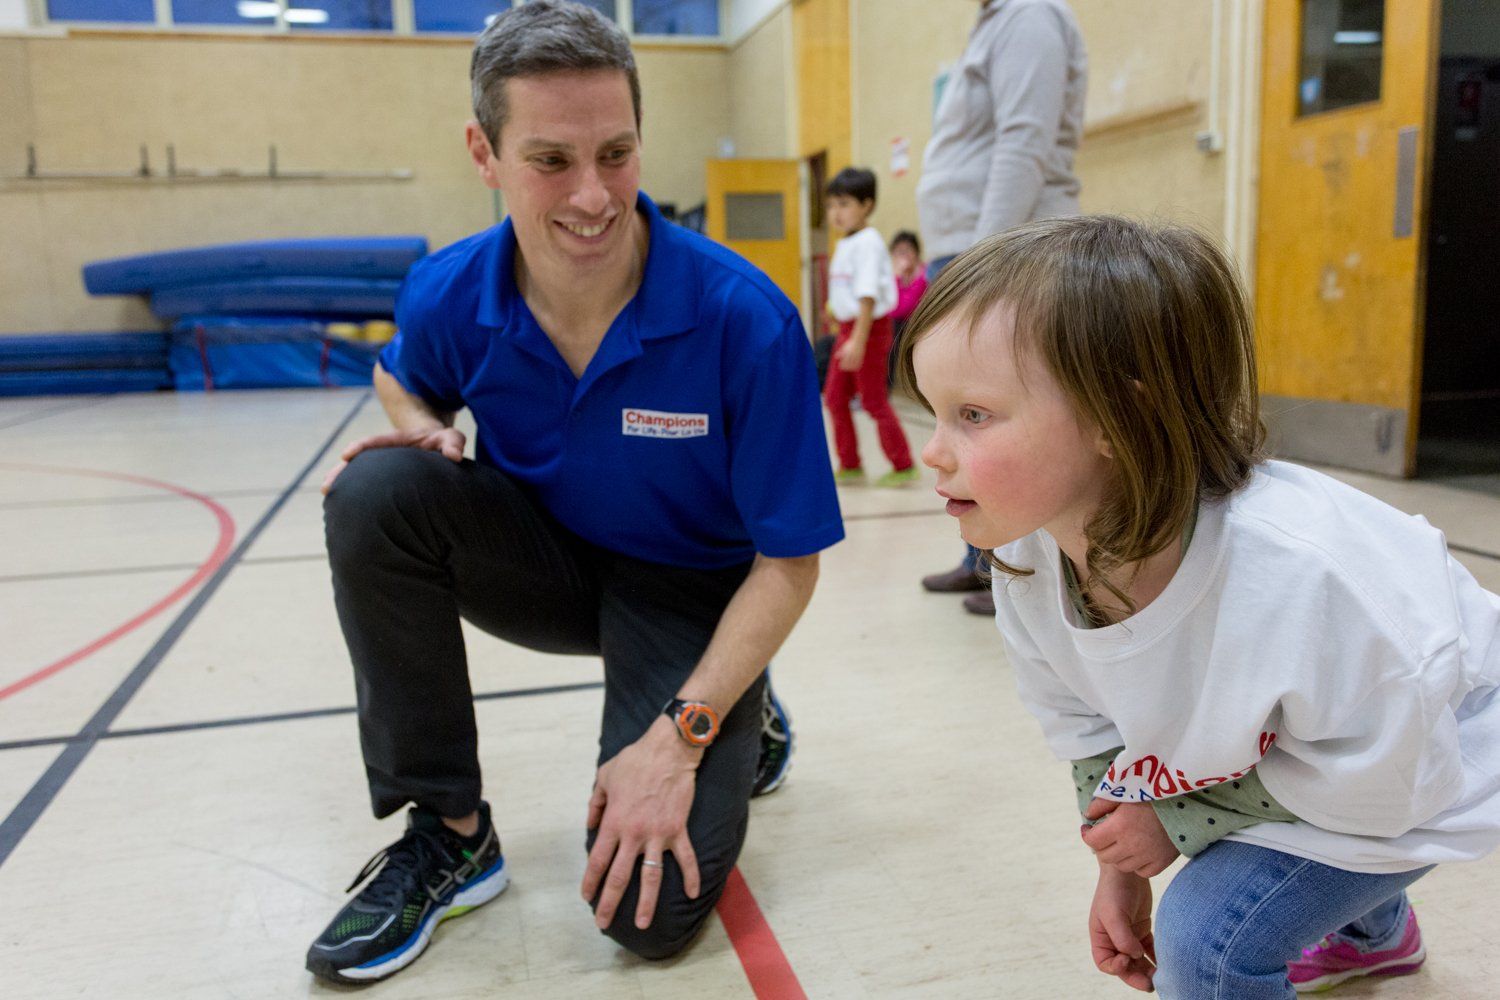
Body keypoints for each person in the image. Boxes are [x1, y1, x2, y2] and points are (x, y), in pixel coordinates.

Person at [305, 1, 843, 983]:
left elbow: (790, 560)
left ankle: (738, 706)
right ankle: (452, 833)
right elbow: (401, 373)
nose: (593, 195)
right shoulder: (449, 290)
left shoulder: (743, 319)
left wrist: (679, 741)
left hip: (690, 586)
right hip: (543, 558)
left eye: (618, 154)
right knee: (377, 489)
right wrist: (423, 423)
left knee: (650, 913)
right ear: (485, 152)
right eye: (551, 159)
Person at [900, 215, 1500, 998]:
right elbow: (1089, 731)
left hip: (1446, 753)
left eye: (972, 415)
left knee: (1206, 942)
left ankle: (1361, 906)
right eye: (932, 411)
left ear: (1122, 419)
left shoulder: (1301, 578)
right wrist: (1119, 862)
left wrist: (1181, 820)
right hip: (1350, 748)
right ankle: (1375, 936)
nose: (932, 451)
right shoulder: (1029, 557)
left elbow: (1385, 777)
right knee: (1287, 750)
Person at [915, 0, 1087, 615]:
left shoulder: (1029, 17)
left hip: (995, 254)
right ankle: (986, 561)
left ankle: (1019, 573)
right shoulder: (995, 24)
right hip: (974, 250)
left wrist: (986, 261)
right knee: (970, 425)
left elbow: (1024, 139)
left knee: (1004, 422)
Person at [822, 167, 918, 488]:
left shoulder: (868, 242)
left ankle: (903, 464)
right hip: (850, 330)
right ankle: (850, 464)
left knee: (874, 401)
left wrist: (859, 340)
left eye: (845, 203)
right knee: (835, 398)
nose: (836, 212)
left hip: (869, 331)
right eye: (832, 204)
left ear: (866, 205)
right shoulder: (847, 243)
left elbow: (867, 294)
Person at [887, 230, 927, 386]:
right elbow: (891, 308)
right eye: (898, 252)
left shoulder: (924, 274)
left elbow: (904, 309)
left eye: (906, 251)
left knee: (891, 333)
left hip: (918, 323)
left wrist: (897, 278)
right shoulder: (898, 276)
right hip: (900, 325)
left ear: (916, 253)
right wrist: (898, 278)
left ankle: (884, 387)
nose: (902, 256)